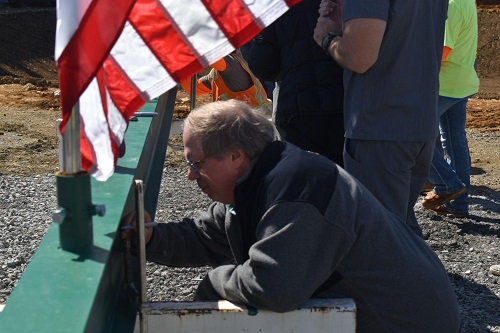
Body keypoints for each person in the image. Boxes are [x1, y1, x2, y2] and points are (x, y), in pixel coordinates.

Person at [122, 99, 461, 332]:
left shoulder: (295, 190)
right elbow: (206, 235)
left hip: (406, 323)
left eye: (196, 164)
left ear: (235, 157)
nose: (190, 176)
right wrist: (149, 237)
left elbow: (273, 287)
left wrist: (214, 282)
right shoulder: (264, 177)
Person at [313, 0, 448, 236]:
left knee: (380, 237)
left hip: (379, 124)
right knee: (401, 231)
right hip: (419, 121)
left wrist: (328, 38)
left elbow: (359, 57)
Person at [245, 0, 345, 166]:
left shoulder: (277, 5)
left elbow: (263, 65)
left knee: (308, 181)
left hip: (300, 111)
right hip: (350, 108)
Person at [422, 0, 480, 218]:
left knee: (412, 137)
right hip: (460, 83)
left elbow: (441, 52)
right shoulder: (464, 1)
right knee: (455, 143)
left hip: (443, 85)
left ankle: (447, 185)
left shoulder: (451, 5)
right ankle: (458, 205)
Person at [179, 49, 272, 115]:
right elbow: (192, 89)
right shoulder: (218, 73)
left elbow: (208, 54)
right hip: (244, 125)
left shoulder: (232, 65)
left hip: (255, 126)